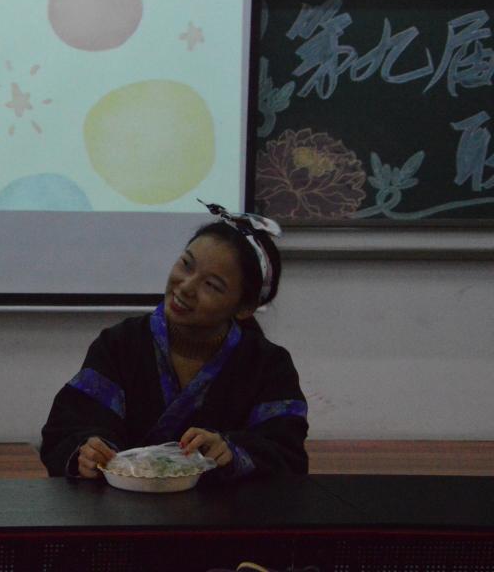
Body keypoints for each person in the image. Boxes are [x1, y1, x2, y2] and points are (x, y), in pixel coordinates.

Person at [40, 202, 308, 481]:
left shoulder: (268, 366)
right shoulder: (119, 345)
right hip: (122, 506)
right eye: (186, 265)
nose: (186, 286)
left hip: (223, 509)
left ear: (244, 308)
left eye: (211, 285)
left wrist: (231, 452)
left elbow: (287, 456)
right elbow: (68, 428)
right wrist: (89, 453)